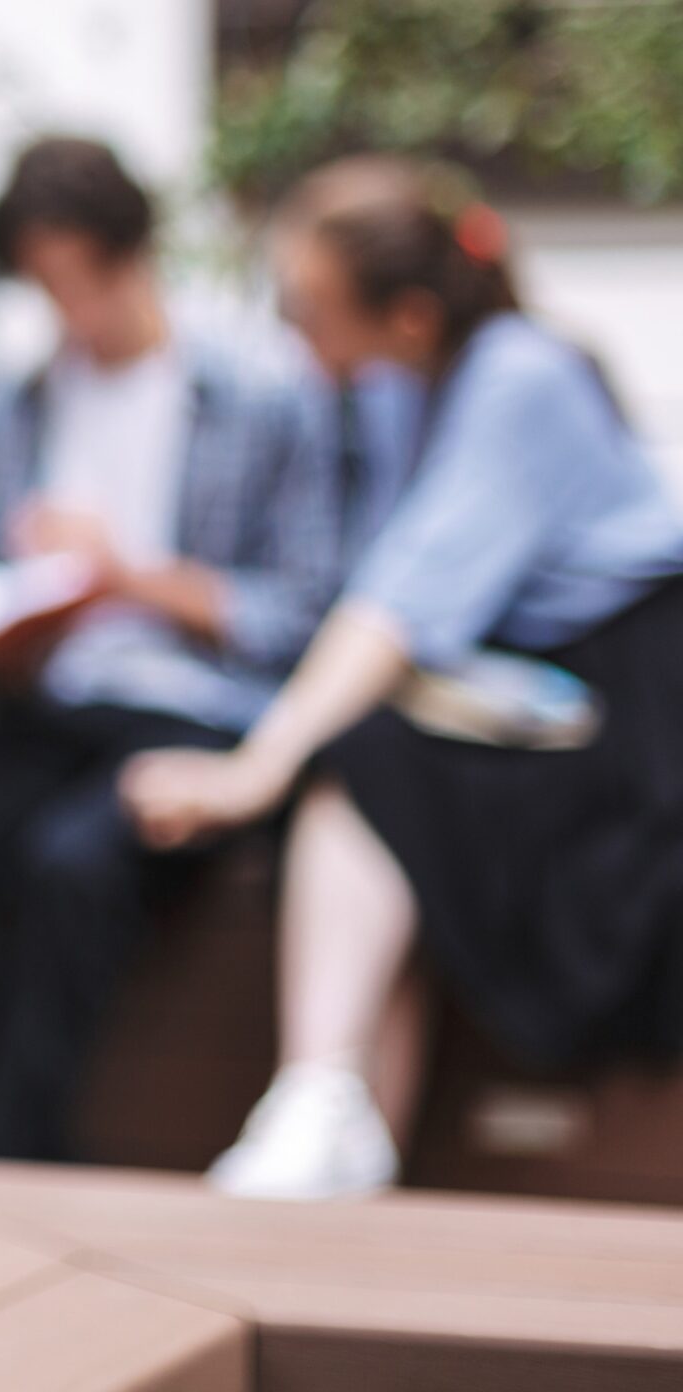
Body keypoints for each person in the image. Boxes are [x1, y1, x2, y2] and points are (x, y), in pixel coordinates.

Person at [125, 157, 683, 1202]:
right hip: (512, 698)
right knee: (387, 781)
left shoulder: (522, 377)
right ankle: (334, 1124)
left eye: (307, 309)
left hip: (625, 714)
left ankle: (322, 1099)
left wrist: (256, 767)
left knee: (368, 765)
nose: (291, 334)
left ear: (410, 316)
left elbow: (394, 610)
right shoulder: (393, 387)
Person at [0, 137, 344, 1162]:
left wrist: (125, 575)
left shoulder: (256, 395)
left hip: (191, 710)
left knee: (70, 869)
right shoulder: (18, 404)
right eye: (47, 288)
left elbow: (299, 613)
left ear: (138, 254)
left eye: (89, 280)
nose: (73, 311)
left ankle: (7, 1162)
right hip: (48, 703)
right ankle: (3, 1145)